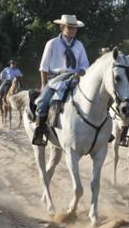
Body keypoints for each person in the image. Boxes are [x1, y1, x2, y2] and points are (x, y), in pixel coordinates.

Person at [33, 14, 89, 146]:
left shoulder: (79, 45)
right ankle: (40, 131)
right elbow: (44, 66)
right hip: (55, 78)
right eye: (70, 27)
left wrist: (81, 71)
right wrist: (43, 84)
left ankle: (101, 129)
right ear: (62, 27)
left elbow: (85, 64)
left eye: (75, 28)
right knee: (42, 101)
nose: (73, 30)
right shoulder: (52, 43)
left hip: (75, 77)